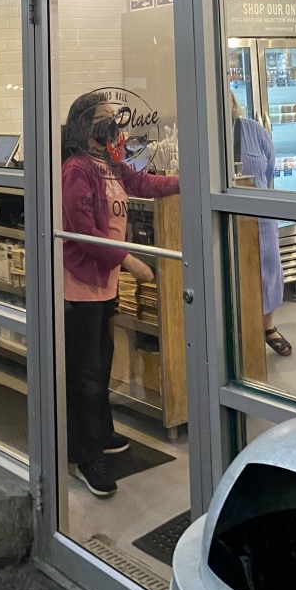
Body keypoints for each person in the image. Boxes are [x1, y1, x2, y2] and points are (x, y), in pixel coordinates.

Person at [61, 91, 179, 499]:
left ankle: (101, 432)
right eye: (106, 118)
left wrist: (185, 181)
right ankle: (85, 456)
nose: (115, 124)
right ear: (85, 126)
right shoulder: (75, 170)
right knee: (85, 373)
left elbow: (143, 182)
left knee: (102, 361)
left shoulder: (109, 164)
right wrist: (128, 260)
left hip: (104, 284)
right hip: (79, 284)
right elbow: (84, 231)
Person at [231, 96, 291, 357]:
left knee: (268, 266)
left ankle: (268, 326)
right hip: (228, 212)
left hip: (259, 213)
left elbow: (269, 168)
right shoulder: (207, 133)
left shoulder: (253, 129)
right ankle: (239, 327)